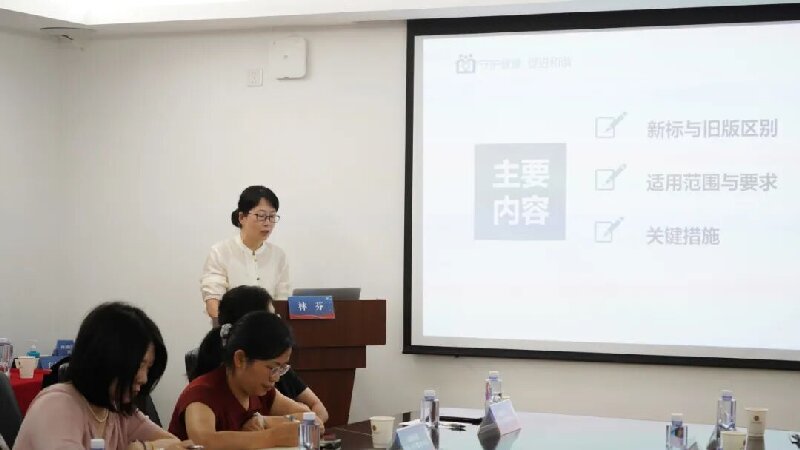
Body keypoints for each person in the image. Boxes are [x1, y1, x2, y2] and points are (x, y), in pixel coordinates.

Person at [14, 302, 191, 450]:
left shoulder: (116, 410)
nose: (144, 378)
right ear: (105, 357)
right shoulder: (56, 406)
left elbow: (176, 444)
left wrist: (143, 447)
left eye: (149, 367)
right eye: (139, 365)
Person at [190, 285, 329, 423]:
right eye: (272, 317)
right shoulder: (213, 386)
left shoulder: (275, 371)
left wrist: (272, 423)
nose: (275, 377)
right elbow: (212, 435)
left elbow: (312, 412)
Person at [168, 311, 307, 448]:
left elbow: (310, 418)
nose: (275, 378)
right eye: (272, 367)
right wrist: (272, 437)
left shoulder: (261, 390)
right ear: (240, 359)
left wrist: (265, 421)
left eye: (281, 369)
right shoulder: (201, 393)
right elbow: (203, 441)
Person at [201, 186, 290, 322]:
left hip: (269, 330)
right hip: (232, 330)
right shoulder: (220, 252)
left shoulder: (278, 256)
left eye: (272, 216)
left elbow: (282, 302)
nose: (267, 223)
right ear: (242, 217)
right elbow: (213, 301)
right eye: (261, 216)